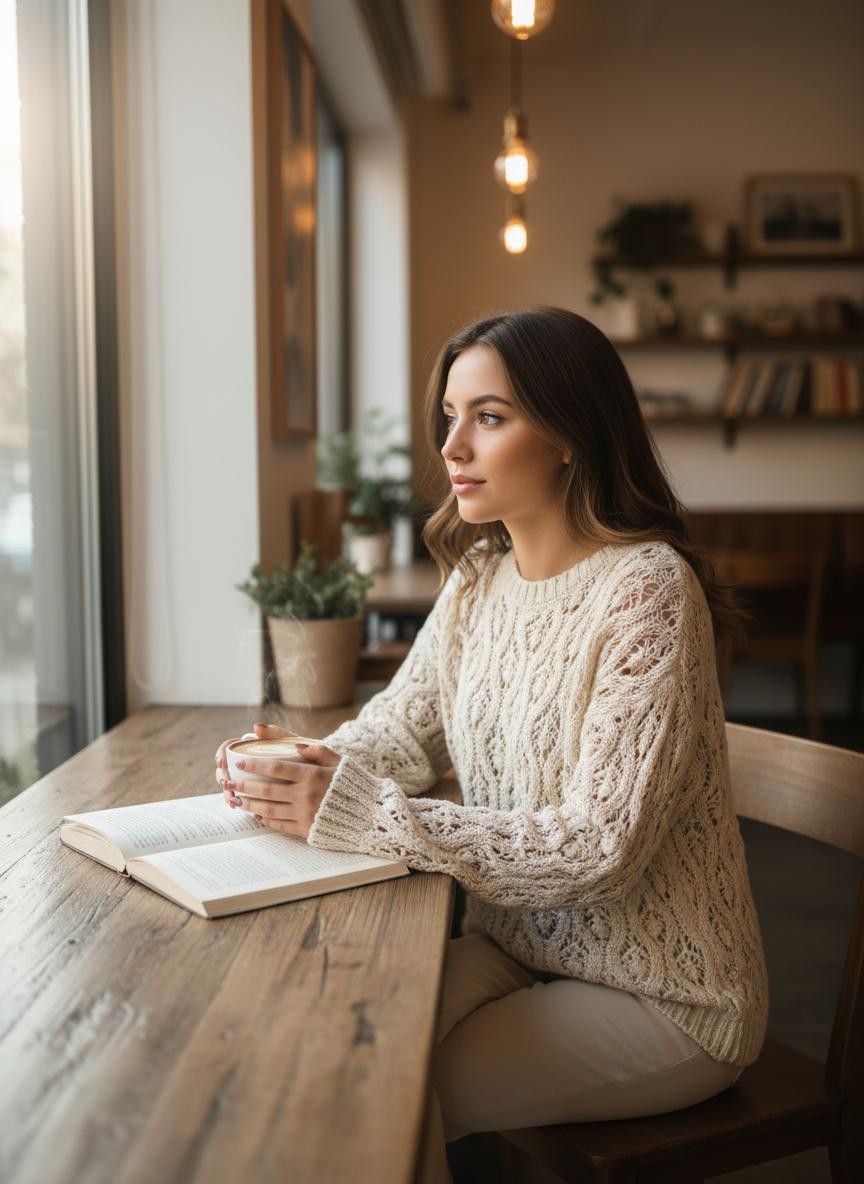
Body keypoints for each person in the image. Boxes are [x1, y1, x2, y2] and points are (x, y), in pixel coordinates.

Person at [215, 307, 769, 1184]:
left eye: (490, 417)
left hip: (667, 994)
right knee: (329, 1041)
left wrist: (363, 810)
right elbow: (403, 726)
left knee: (387, 1087)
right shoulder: (482, 575)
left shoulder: (649, 592)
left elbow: (601, 845)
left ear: (569, 436)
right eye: (449, 417)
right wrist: (303, 763)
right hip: (523, 949)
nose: (453, 448)